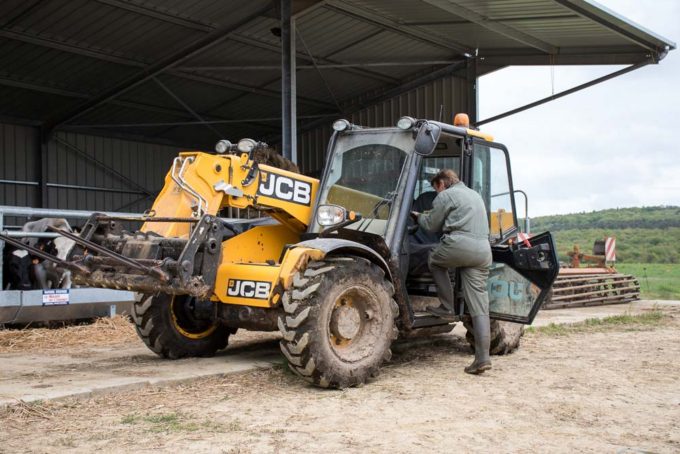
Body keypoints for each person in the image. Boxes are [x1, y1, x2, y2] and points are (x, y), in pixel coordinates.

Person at [411, 169, 493, 375]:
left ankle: (447, 306)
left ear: (442, 183)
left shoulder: (446, 195)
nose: (436, 192)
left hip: (459, 244)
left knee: (435, 261)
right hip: (483, 250)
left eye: (435, 187)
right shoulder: (475, 195)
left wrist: (418, 216)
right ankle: (482, 358)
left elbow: (431, 225)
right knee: (479, 306)